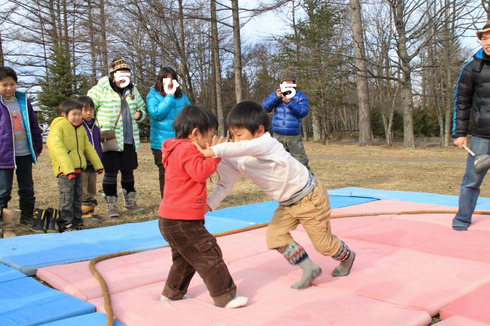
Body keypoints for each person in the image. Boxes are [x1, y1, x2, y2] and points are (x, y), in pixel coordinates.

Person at [203, 101, 355, 289]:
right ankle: (309, 268)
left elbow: (234, 148)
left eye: (240, 135)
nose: (235, 140)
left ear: (259, 131)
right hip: (287, 204)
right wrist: (208, 205)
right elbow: (225, 183)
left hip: (310, 198)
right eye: (232, 136)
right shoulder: (234, 154)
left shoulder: (267, 143)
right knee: (275, 237)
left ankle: (347, 256)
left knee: (324, 246)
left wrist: (210, 151)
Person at [157, 105, 247, 309]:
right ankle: (225, 296)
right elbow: (200, 172)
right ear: (195, 133)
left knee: (185, 259)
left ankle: (172, 294)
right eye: (211, 135)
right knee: (208, 254)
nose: (212, 140)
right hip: (182, 221)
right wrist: (215, 154)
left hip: (170, 220)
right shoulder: (187, 148)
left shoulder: (174, 149)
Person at [87, 58, 147, 218]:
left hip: (129, 137)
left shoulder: (133, 90)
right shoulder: (100, 89)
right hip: (110, 138)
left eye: (127, 74)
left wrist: (140, 114)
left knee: (128, 171)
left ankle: (130, 202)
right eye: (121, 73)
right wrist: (96, 128)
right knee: (110, 172)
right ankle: (111, 204)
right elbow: (88, 109)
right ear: (113, 75)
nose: (124, 77)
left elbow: (141, 108)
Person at [452, 21, 490, 231]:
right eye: (484, 38)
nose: (487, 42)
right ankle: (461, 221)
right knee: (471, 181)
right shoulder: (472, 68)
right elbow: (462, 101)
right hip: (481, 137)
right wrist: (459, 133)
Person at [46, 99, 103, 232]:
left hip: (78, 169)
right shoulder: (59, 127)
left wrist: (97, 165)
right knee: (67, 197)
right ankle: (65, 223)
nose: (77, 117)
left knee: (77, 197)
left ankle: (77, 220)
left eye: (79, 114)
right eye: (74, 114)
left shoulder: (80, 129)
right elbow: (57, 148)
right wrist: (67, 169)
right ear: (64, 114)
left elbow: (88, 147)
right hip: (65, 171)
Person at [0, 66, 43, 236]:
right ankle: (2, 218)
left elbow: (33, 125)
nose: (9, 88)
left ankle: (27, 216)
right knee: (3, 189)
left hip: (24, 151)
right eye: (4, 85)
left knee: (26, 186)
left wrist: (37, 145)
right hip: (4, 154)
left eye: (12, 84)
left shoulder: (23, 102)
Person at [146, 66, 190, 197]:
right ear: (160, 81)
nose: (170, 82)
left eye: (172, 79)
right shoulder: (152, 96)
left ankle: (182, 200)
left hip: (181, 142)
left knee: (183, 173)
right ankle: (167, 202)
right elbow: (156, 113)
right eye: (166, 79)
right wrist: (169, 97)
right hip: (161, 144)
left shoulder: (182, 97)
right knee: (165, 173)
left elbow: (190, 113)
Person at [262, 67, 311, 171]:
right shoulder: (276, 94)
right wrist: (275, 97)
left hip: (294, 136)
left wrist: (289, 102)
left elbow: (303, 112)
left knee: (301, 162)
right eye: (285, 81)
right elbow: (264, 108)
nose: (288, 83)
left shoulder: (300, 96)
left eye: (290, 81)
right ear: (282, 83)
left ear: (294, 82)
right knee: (277, 162)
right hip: (277, 135)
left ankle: (310, 184)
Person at [78, 96, 103, 222]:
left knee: (92, 188)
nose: (88, 113)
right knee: (83, 189)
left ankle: (91, 211)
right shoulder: (78, 127)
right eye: (85, 110)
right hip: (83, 164)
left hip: (93, 163)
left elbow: (98, 144)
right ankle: (83, 213)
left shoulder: (96, 127)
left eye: (91, 110)